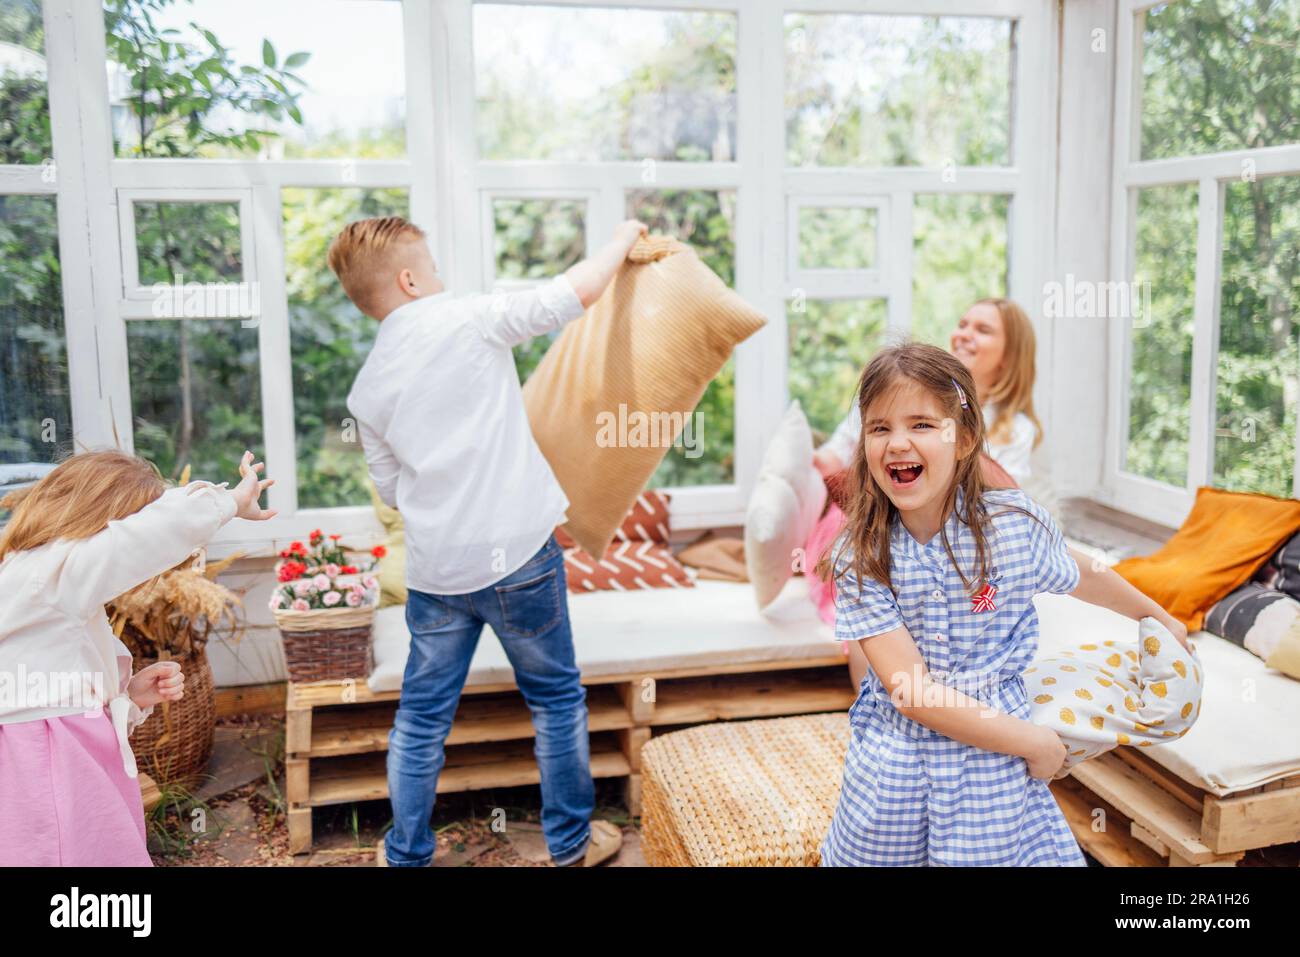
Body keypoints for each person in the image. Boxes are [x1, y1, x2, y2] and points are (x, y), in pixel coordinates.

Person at [332, 215, 648, 867]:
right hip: (520, 555)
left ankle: (407, 853)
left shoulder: (365, 391)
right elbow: (573, 293)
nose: (442, 278)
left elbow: (391, 492)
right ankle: (568, 845)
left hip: (437, 575)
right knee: (556, 699)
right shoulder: (469, 318)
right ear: (411, 278)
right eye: (435, 268)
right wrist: (621, 238)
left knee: (421, 718)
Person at [815, 343, 1187, 866]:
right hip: (895, 771)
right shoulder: (861, 555)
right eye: (879, 428)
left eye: (921, 424)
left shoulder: (1013, 524)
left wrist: (1156, 615)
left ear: (964, 438)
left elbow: (1083, 570)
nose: (897, 443)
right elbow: (912, 692)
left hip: (989, 767)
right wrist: (1034, 743)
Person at [0, 449, 274, 865]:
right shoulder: (52, 575)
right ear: (102, 518)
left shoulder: (35, 572)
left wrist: (128, 699)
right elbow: (151, 535)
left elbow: (56, 706)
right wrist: (231, 502)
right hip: (53, 785)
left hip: (64, 774)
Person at [815, 298, 1042, 485]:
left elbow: (1009, 497)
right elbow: (835, 454)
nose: (963, 335)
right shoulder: (897, 389)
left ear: (1009, 356)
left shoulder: (1017, 430)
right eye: (962, 325)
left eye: (983, 330)